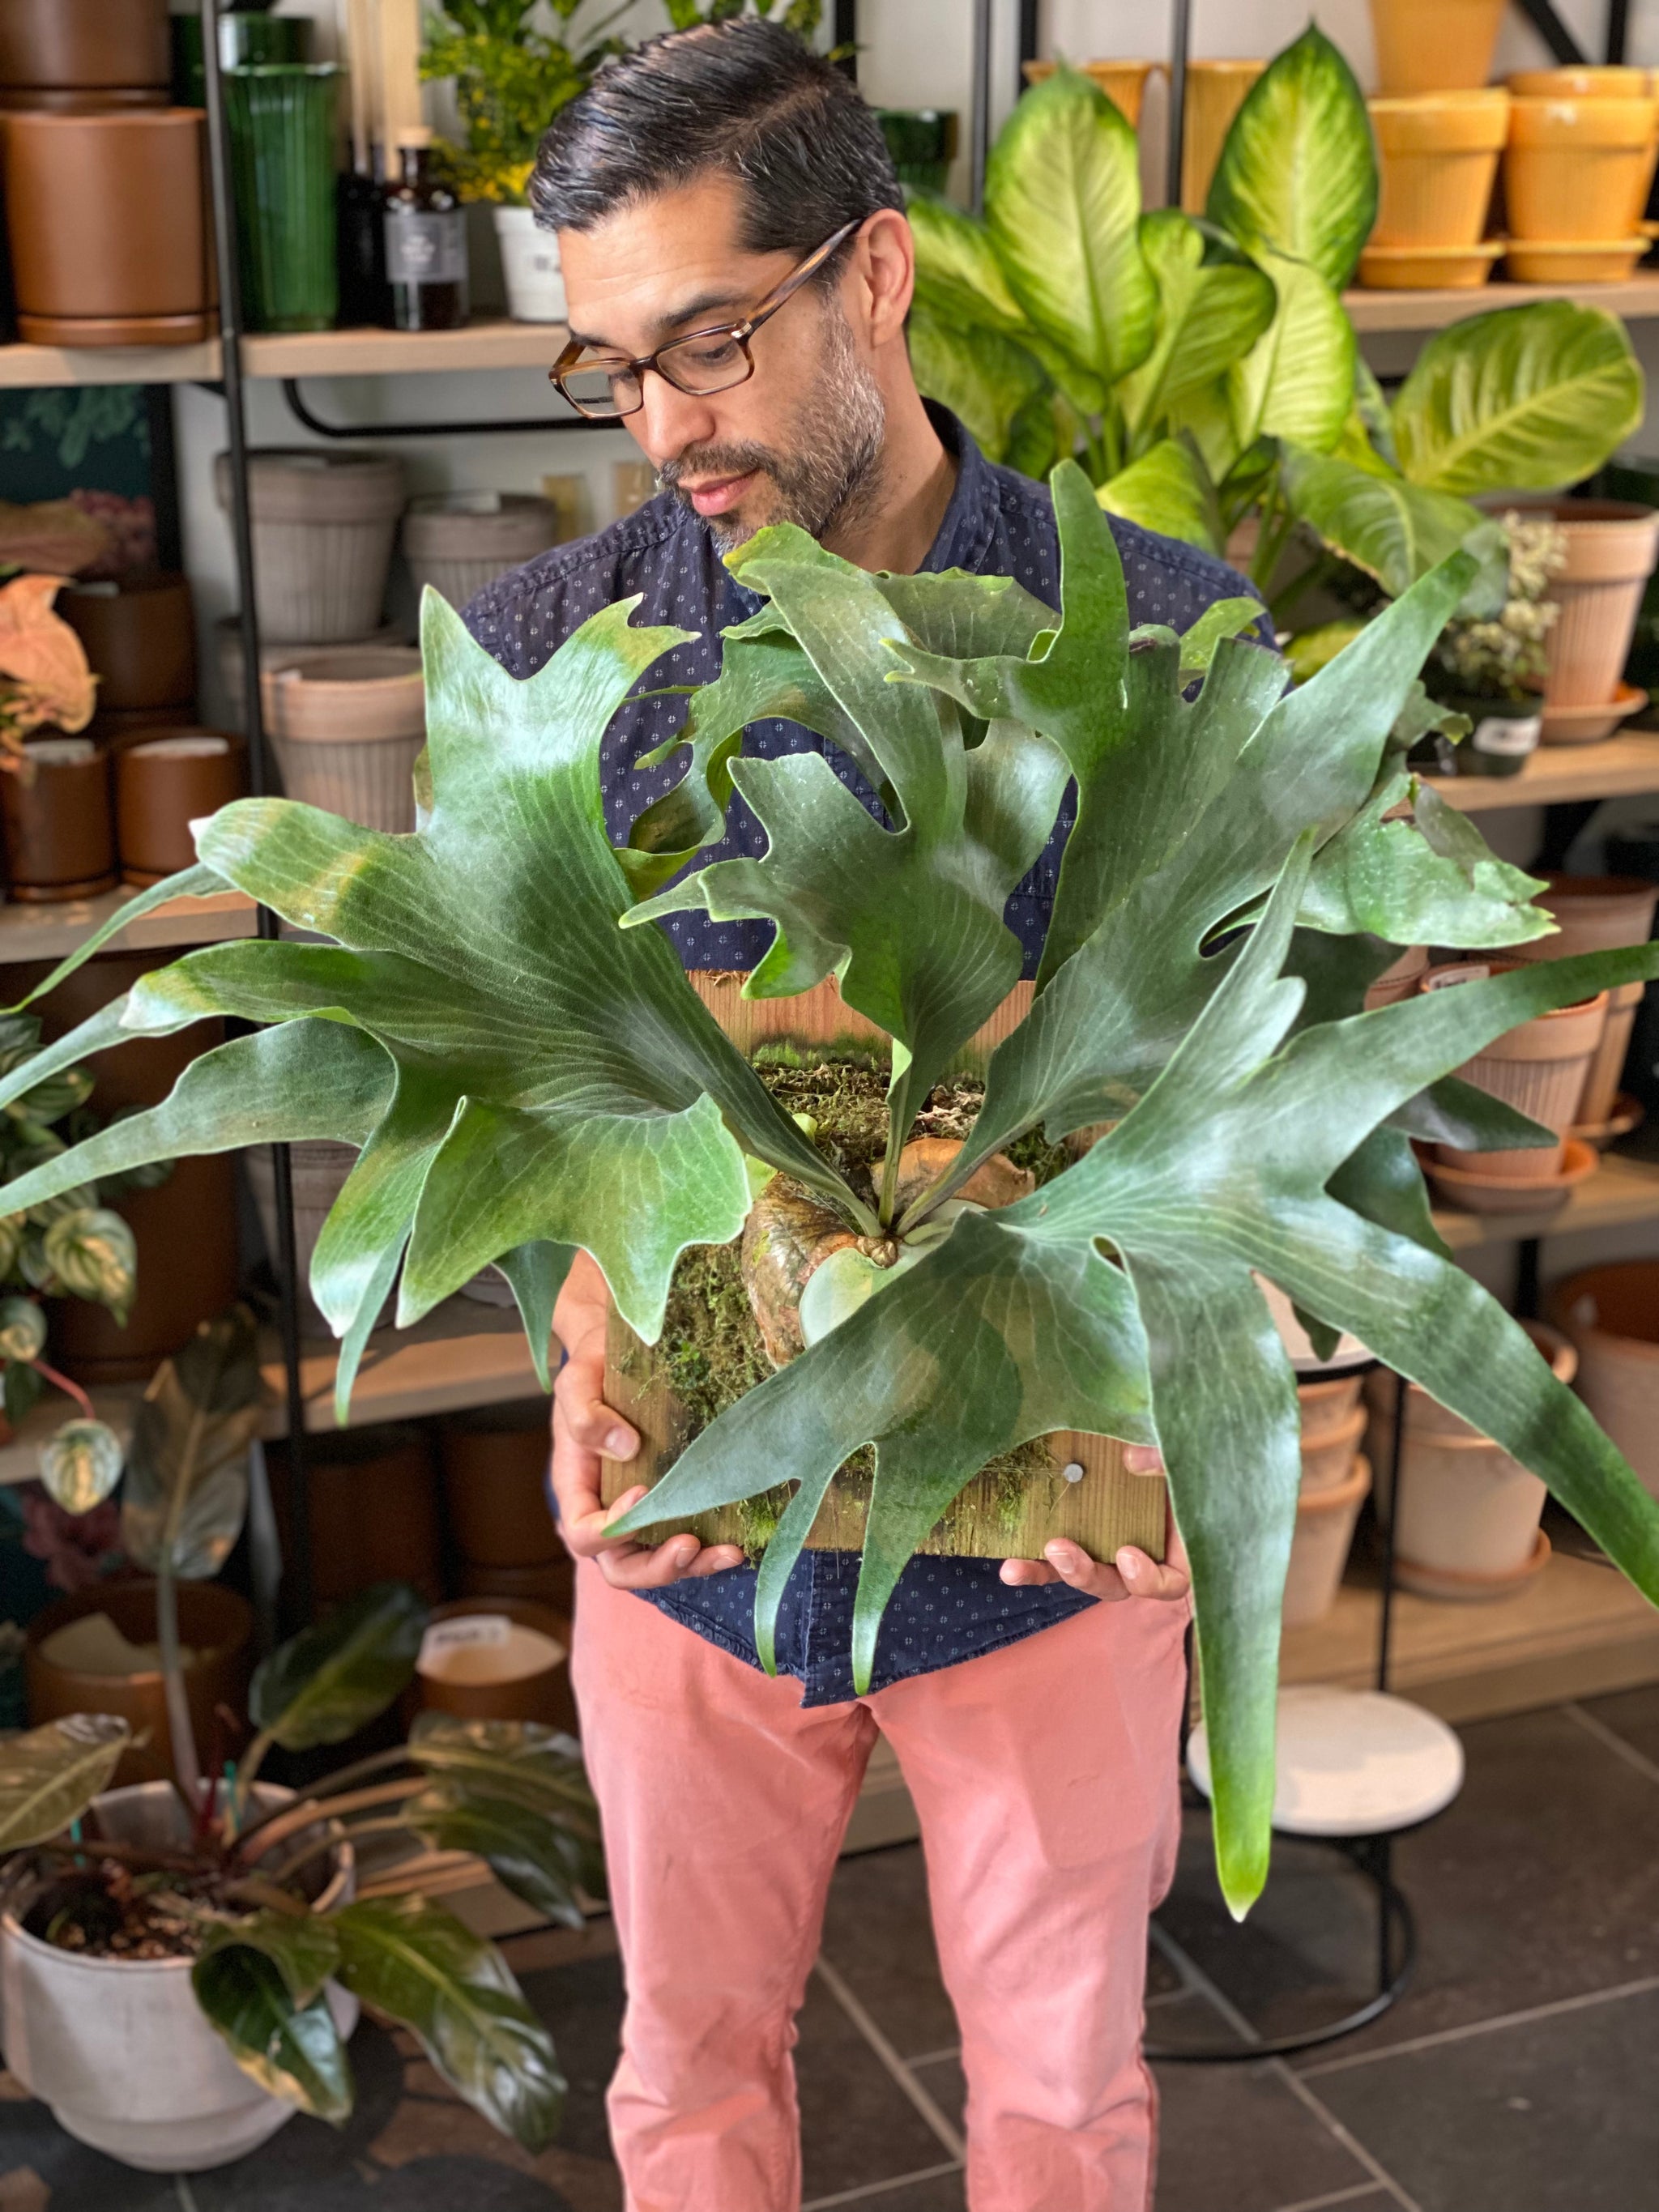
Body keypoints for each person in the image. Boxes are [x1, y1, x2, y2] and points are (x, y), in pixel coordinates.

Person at [463, 23, 1264, 2208]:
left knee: (1062, 2105)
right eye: (607, 366)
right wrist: (577, 1351)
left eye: (709, 345)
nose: (659, 427)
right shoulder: (552, 653)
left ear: (876, 275)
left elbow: (1251, 1105)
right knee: (689, 2077)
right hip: (700, 1548)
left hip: (1041, 1552)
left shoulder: (1169, 647)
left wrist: (1213, 1395)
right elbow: (536, 1096)